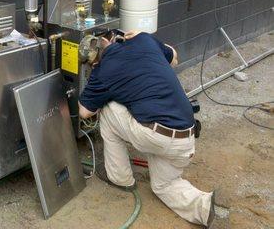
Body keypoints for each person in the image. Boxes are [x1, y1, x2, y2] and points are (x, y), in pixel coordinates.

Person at [78, 30, 215, 228]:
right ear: (107, 40)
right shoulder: (143, 40)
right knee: (163, 186)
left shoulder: (102, 72)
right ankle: (203, 206)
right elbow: (174, 57)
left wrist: (106, 89)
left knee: (108, 109)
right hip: (186, 138)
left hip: (156, 136)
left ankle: (120, 178)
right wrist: (143, 37)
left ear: (94, 63)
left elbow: (84, 112)